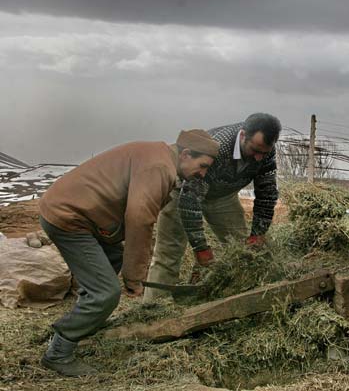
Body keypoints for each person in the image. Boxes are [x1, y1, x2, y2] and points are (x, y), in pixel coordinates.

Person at [38, 130, 220, 376]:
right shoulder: (159, 167)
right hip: (70, 217)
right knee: (106, 294)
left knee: (112, 260)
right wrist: (134, 276)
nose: (203, 173)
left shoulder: (159, 155)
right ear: (186, 154)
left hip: (83, 214)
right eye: (202, 166)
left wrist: (129, 265)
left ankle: (84, 322)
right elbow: (139, 219)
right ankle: (58, 351)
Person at [143, 113, 281, 303]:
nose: (259, 157)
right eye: (255, 150)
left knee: (243, 251)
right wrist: (200, 247)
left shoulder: (265, 151)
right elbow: (190, 202)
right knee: (168, 253)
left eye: (264, 153)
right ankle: (153, 309)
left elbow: (266, 193)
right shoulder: (218, 146)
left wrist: (258, 232)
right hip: (184, 190)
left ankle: (235, 300)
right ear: (242, 136)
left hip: (222, 195)